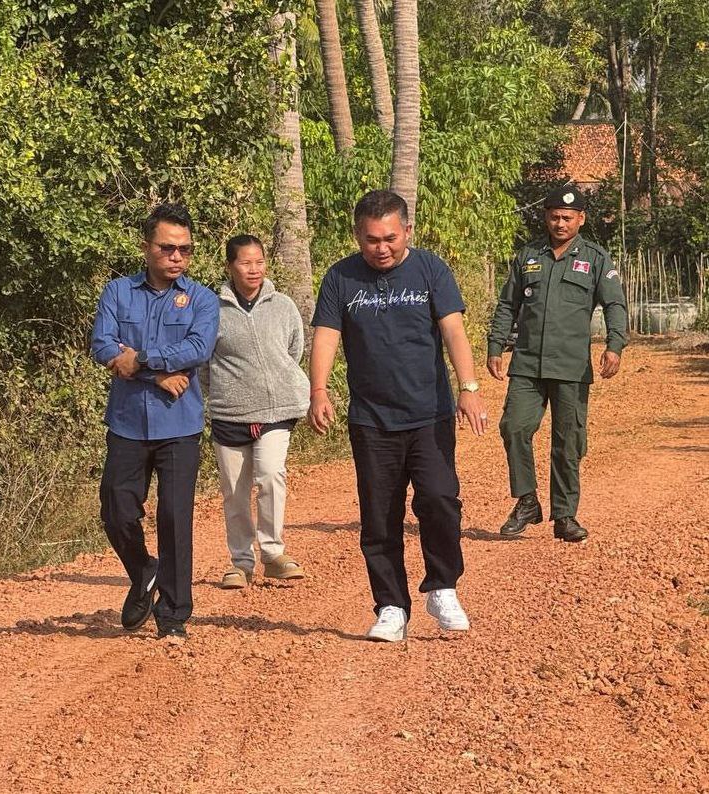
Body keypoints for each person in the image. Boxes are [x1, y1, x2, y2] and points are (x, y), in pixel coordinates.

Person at [308, 190, 488, 643]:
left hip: (429, 414)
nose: (382, 248)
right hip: (371, 420)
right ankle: (391, 606)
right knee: (379, 515)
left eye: (390, 238)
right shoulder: (340, 277)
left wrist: (468, 388)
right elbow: (326, 335)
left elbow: (453, 330)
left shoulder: (430, 269)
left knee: (440, 500)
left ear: (407, 230)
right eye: (372, 240)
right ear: (358, 236)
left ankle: (442, 587)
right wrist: (318, 391)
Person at [91, 203, 219, 640]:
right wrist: (159, 374)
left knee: (174, 518)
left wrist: (142, 360)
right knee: (116, 509)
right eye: (167, 248)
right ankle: (143, 569)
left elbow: (198, 348)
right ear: (146, 247)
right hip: (127, 421)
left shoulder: (202, 299)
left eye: (185, 249)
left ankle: (174, 615)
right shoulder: (117, 292)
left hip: (179, 425)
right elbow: (103, 345)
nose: (177, 256)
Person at [487, 185, 628, 542]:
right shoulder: (528, 255)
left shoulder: (595, 258)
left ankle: (565, 516)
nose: (560, 223)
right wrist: (495, 345)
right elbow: (508, 304)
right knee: (514, 428)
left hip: (570, 366)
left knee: (568, 442)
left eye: (567, 218)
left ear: (581, 219)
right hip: (527, 364)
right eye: (554, 217)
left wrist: (614, 345)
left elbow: (614, 304)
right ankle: (527, 501)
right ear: (546, 217)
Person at [207, 235, 310, 589]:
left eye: (259, 262)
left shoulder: (283, 305)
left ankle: (273, 553)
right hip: (229, 412)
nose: (254, 269)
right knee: (234, 492)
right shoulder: (212, 311)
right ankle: (241, 562)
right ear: (229, 267)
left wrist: (277, 382)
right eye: (245, 263)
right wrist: (226, 391)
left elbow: (294, 349)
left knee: (270, 475)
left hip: (277, 409)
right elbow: (204, 363)